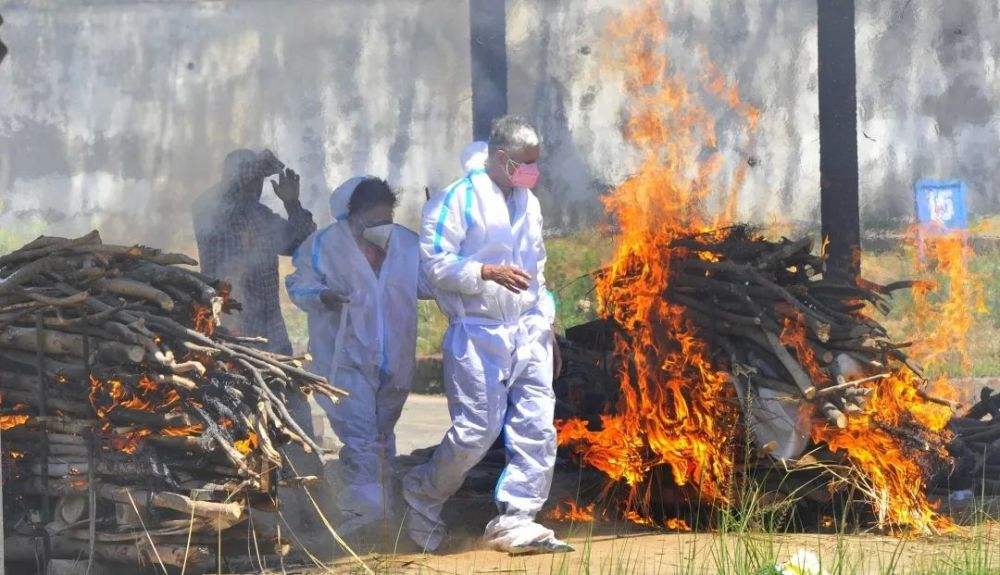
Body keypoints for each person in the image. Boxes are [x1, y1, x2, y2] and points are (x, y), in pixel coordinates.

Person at [401, 115, 569, 554]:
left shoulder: (528, 202)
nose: (534, 171)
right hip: (478, 332)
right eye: (526, 162)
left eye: (536, 162)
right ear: (501, 158)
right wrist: (484, 272)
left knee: (536, 424)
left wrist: (546, 322)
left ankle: (517, 519)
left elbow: (539, 268)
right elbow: (434, 264)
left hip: (528, 327)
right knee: (477, 429)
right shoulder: (454, 201)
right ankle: (422, 494)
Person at [286, 176, 431, 541]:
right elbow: (298, 284)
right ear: (351, 216)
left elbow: (430, 283)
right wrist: (323, 296)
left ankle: (382, 507)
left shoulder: (407, 245)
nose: (379, 229)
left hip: (394, 358)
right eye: (371, 222)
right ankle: (368, 516)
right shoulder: (324, 245)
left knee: (382, 435)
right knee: (361, 437)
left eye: (386, 220)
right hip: (344, 357)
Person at [193, 149, 316, 354]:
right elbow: (303, 242)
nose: (259, 186)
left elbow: (301, 244)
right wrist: (291, 202)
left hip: (261, 321)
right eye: (256, 179)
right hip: (237, 321)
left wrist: (292, 202)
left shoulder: (249, 212)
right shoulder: (222, 210)